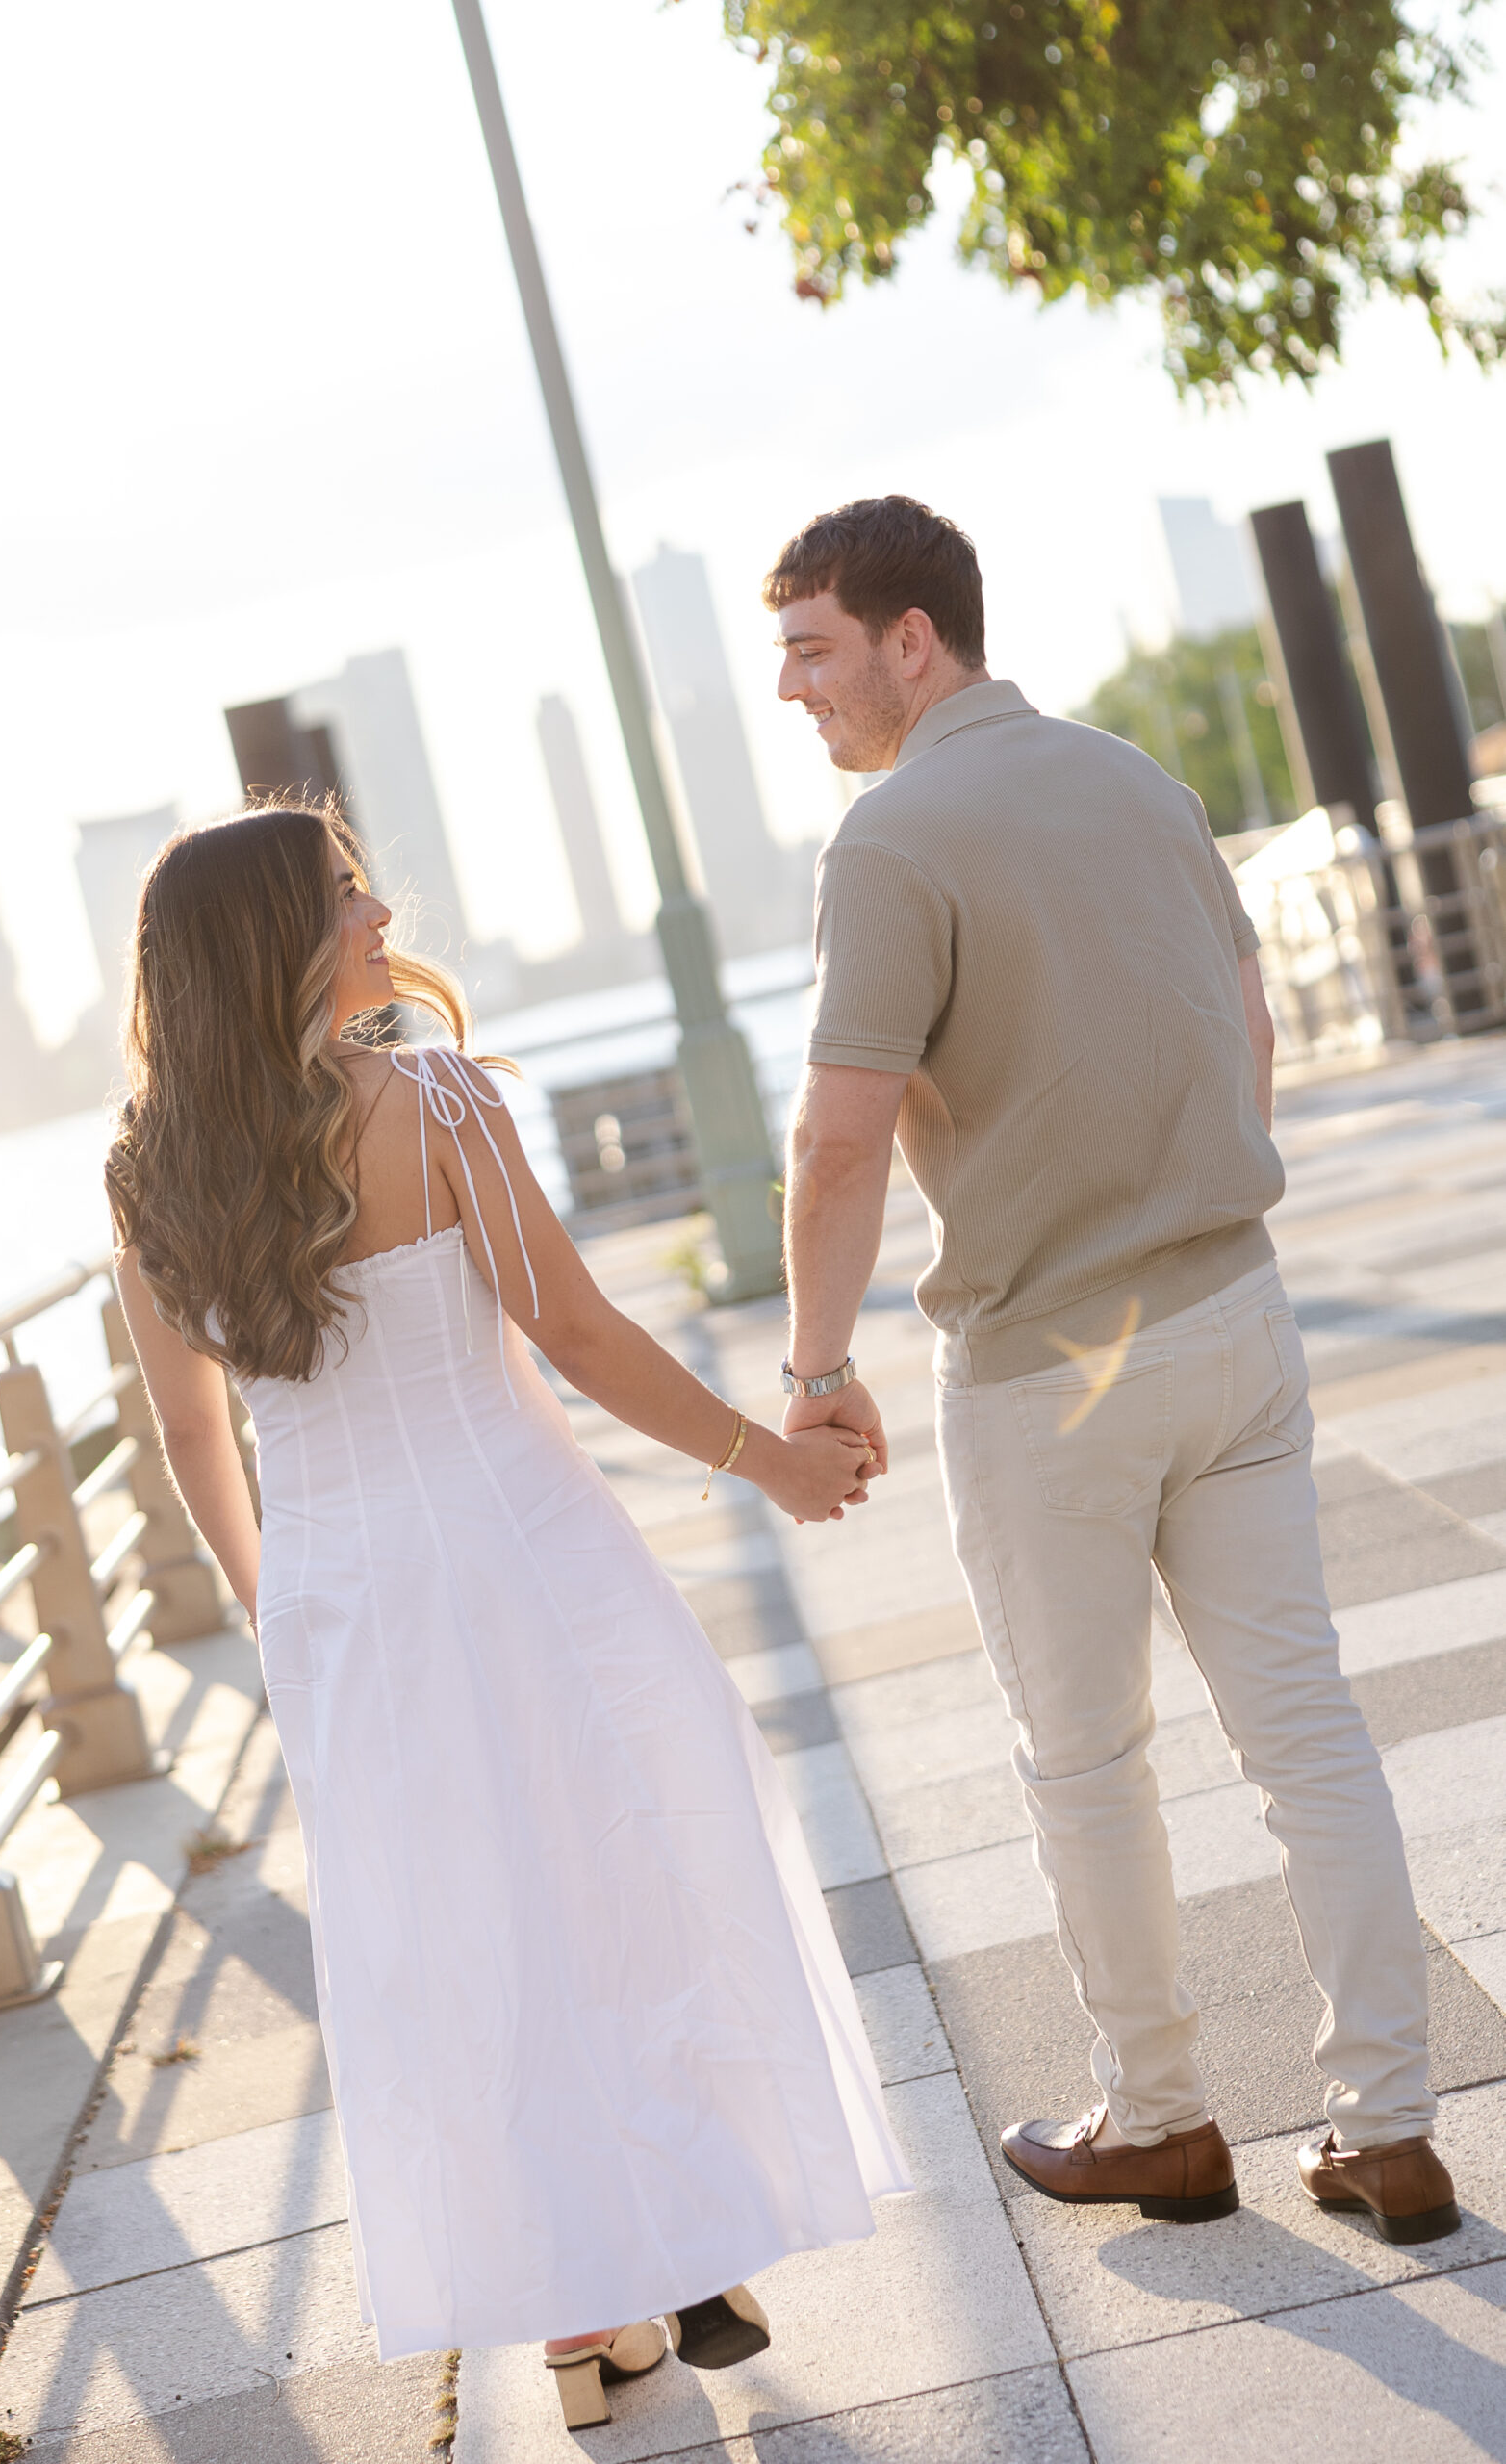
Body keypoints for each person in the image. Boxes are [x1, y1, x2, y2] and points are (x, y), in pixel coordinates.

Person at [106, 806, 910, 2433]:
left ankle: (581, 2317)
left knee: (459, 1940)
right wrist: (768, 1461)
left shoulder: (144, 1179)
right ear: (271, 942)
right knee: (630, 1871)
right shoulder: (433, 1102)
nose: (380, 912)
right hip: (527, 1550)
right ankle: (679, 2247)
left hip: (341, 1599)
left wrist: (280, 1612)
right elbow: (578, 1333)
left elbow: (197, 1438)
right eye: (346, 896)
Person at [766, 494, 1461, 2247]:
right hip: (1237, 1317)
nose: (792, 688)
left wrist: (815, 1367)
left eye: (813, 649)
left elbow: (838, 1143)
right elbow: (1251, 1027)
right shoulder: (1141, 782)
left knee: (1085, 1761)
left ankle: (1159, 2122)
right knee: (1305, 1732)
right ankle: (1389, 2131)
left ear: (912, 640)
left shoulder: (889, 842)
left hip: (1049, 1367)